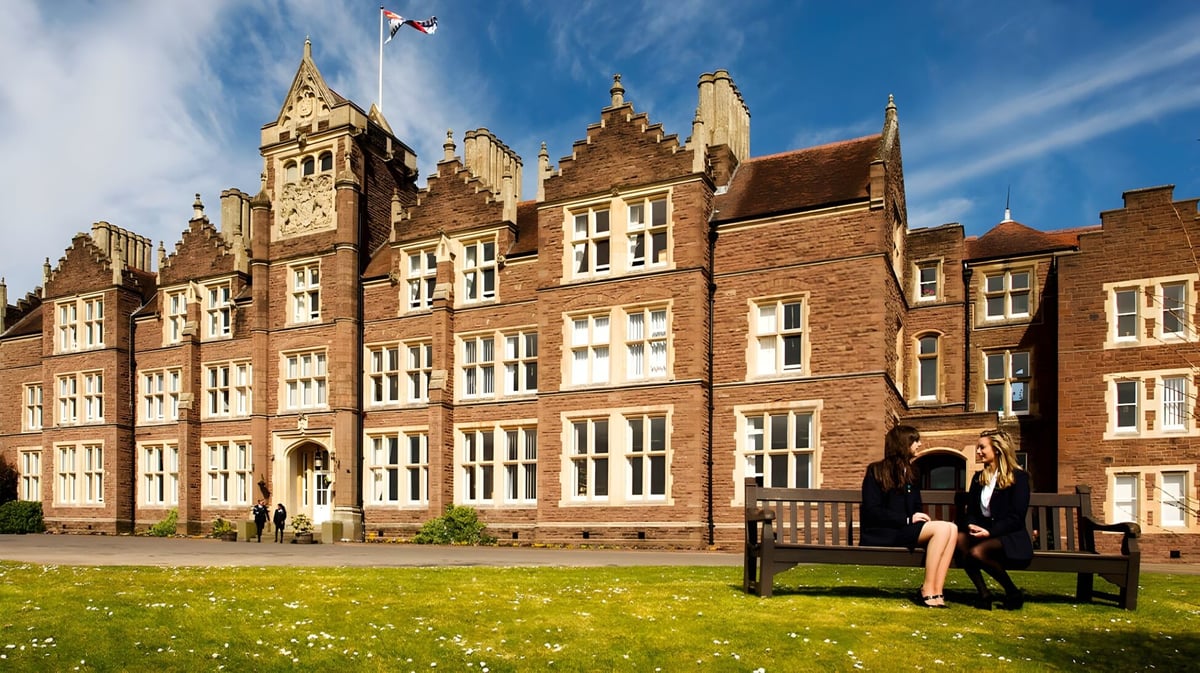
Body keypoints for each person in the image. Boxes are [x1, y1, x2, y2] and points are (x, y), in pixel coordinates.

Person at [860, 425, 958, 608]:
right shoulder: (876, 470)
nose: (919, 444)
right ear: (903, 443)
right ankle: (927, 589)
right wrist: (906, 520)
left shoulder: (912, 472)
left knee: (952, 528)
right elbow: (872, 511)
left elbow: (916, 507)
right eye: (915, 440)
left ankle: (937, 591)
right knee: (943, 529)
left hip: (905, 530)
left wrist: (918, 517)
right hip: (883, 532)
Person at [958, 428, 1033, 610]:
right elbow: (971, 512)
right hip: (983, 533)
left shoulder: (1019, 477)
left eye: (982, 447)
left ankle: (1013, 592)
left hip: (1009, 536)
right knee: (959, 539)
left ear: (998, 449)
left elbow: (1016, 518)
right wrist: (971, 525)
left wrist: (990, 532)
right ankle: (984, 594)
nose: (978, 451)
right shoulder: (978, 478)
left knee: (977, 553)